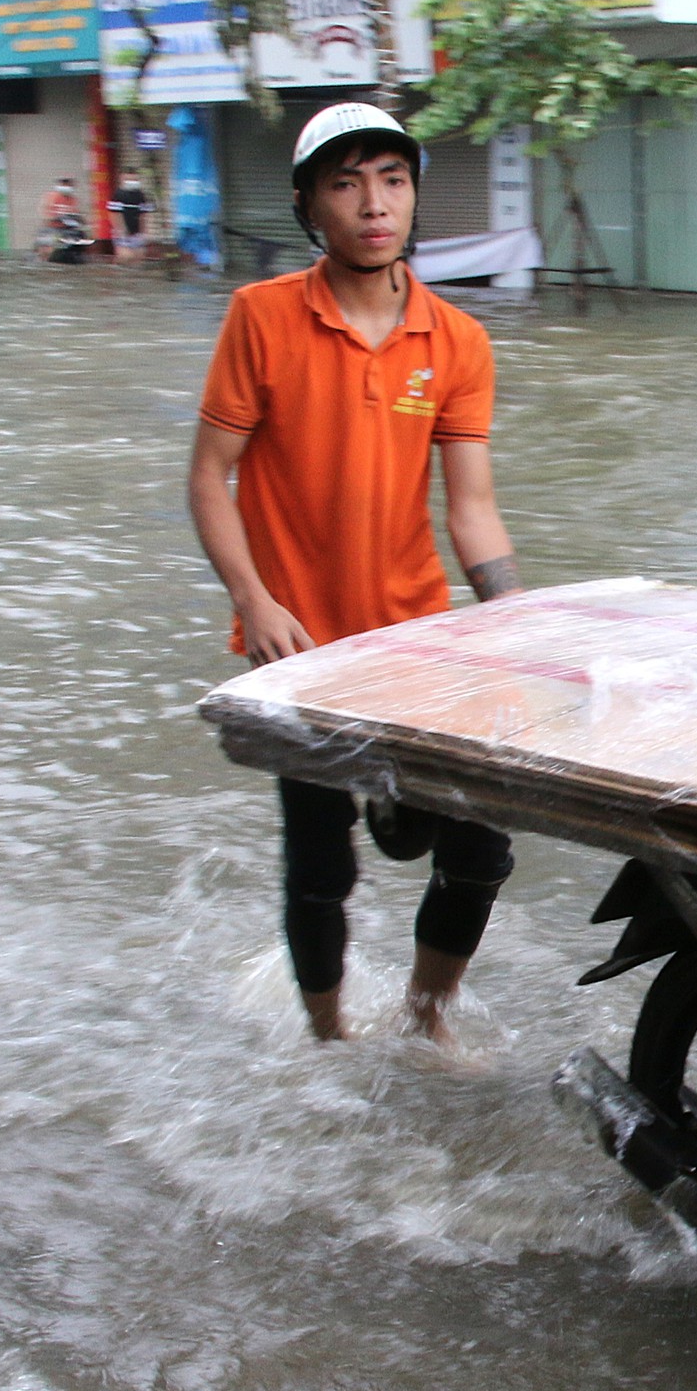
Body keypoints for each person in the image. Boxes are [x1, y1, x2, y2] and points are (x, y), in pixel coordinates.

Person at [187, 103, 524, 1043]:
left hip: (415, 639)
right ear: (309, 207)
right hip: (297, 644)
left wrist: (519, 621)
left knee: (479, 841)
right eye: (346, 183)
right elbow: (207, 477)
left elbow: (470, 506)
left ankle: (427, 1017)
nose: (374, 204)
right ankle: (330, 1035)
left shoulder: (456, 339)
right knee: (318, 860)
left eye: (392, 179)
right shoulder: (260, 317)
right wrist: (254, 601)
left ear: (413, 196)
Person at [112, 170, 151, 259]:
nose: (132, 182)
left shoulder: (141, 196)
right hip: (123, 234)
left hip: (137, 234)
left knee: (139, 256)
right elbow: (115, 214)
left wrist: (144, 232)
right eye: (129, 179)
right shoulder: (118, 195)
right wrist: (121, 230)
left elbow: (144, 215)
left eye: (134, 179)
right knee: (126, 256)